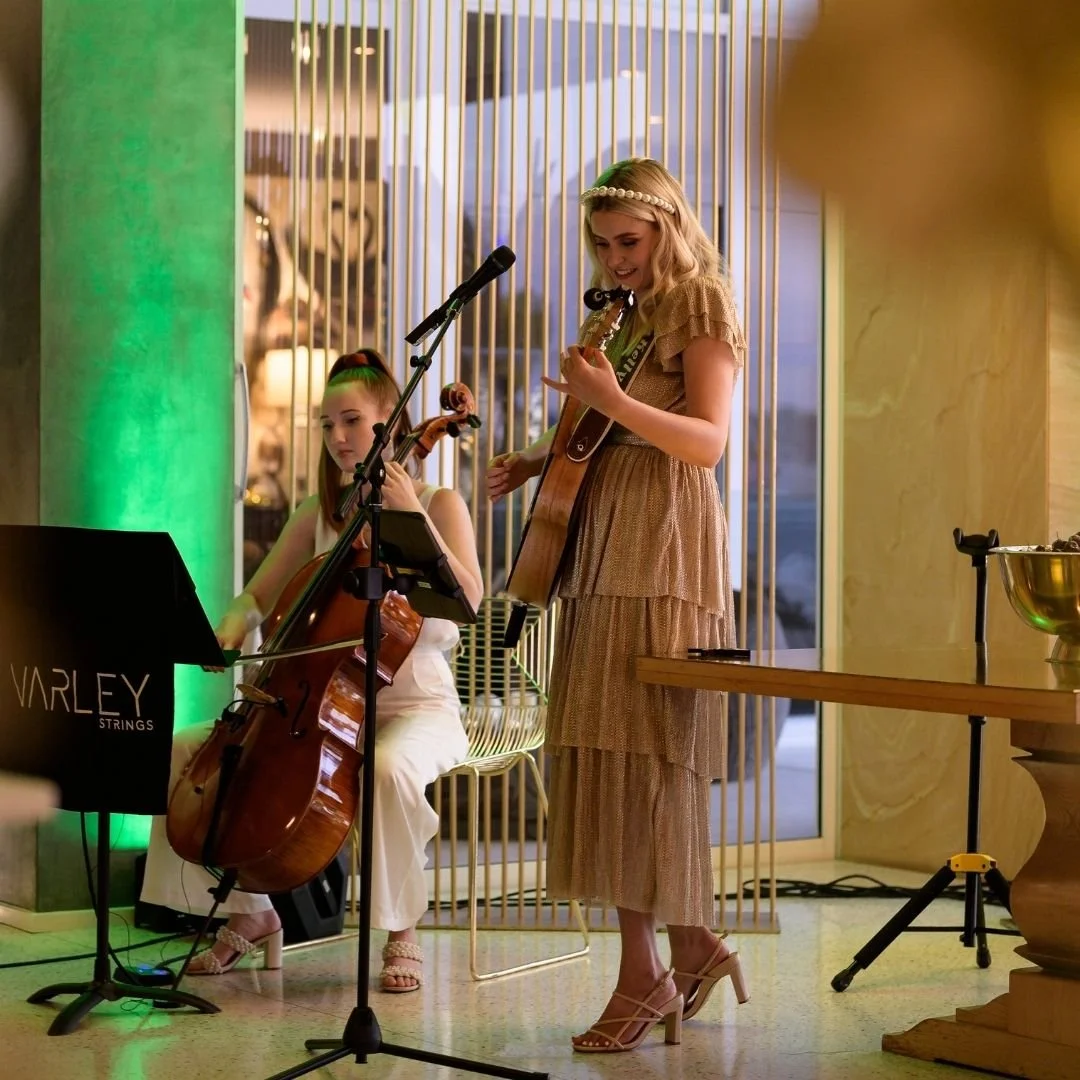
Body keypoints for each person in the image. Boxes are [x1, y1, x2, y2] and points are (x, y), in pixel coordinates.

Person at [487, 158, 750, 1052]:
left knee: (646, 751)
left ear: (669, 226)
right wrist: (533, 458)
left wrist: (608, 400)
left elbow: (709, 443)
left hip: (666, 543)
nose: (614, 259)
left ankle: (647, 977)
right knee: (607, 741)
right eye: (601, 245)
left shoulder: (702, 302)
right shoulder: (626, 315)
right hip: (605, 536)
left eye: (628, 242)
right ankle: (687, 946)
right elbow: (603, 422)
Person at [141, 349, 484, 992]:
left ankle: (400, 931)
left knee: (388, 768)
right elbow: (256, 597)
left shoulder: (439, 504)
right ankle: (250, 914)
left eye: (352, 421)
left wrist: (407, 512)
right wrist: (228, 627)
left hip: (415, 708)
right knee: (190, 751)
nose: (337, 439)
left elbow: (468, 600)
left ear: (391, 421)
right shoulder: (316, 516)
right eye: (326, 426)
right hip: (315, 709)